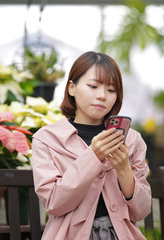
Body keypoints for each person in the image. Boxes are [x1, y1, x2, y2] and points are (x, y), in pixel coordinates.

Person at [31, 51, 152, 240]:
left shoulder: (132, 140)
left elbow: (142, 211)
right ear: (72, 88)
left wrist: (123, 169)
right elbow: (55, 203)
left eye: (111, 90)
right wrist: (93, 156)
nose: (102, 96)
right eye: (93, 86)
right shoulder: (47, 139)